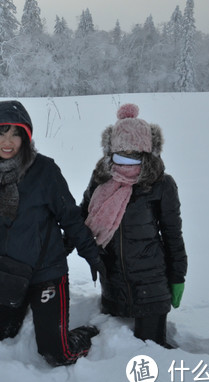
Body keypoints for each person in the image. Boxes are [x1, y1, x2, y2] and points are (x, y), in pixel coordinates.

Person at [0, 100, 105, 366]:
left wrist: (92, 255)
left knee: (57, 354)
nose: (8, 141)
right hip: (9, 273)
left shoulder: (44, 171)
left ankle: (90, 333)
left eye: (16, 133)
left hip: (47, 273)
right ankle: (24, 306)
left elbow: (70, 218)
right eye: (0, 133)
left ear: (26, 137)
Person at [80, 103, 187, 348]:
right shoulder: (101, 180)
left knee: (151, 349)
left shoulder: (161, 185)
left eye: (135, 156)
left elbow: (173, 235)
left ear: (147, 154)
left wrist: (177, 276)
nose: (126, 164)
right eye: (120, 156)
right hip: (113, 284)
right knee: (109, 349)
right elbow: (81, 221)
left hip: (152, 286)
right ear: (110, 153)